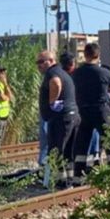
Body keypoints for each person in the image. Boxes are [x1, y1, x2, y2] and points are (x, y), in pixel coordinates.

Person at [71, 42, 110, 181]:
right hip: (101, 111)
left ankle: (78, 176)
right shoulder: (104, 73)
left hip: (83, 111)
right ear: (98, 55)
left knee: (82, 143)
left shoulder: (77, 73)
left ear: (85, 55)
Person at [38, 51, 79, 187]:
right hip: (71, 115)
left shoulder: (52, 73)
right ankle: (68, 180)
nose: (38, 66)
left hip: (61, 118)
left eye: (40, 62)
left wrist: (51, 103)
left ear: (50, 61)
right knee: (67, 150)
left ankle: (60, 182)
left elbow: (56, 84)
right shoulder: (62, 72)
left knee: (57, 150)